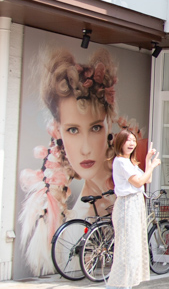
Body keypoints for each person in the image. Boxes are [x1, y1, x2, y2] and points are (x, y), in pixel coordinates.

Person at [18, 48, 121, 276]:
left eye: (95, 128)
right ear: (59, 132)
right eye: (73, 130)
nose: (85, 148)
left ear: (109, 124)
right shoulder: (76, 217)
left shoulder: (118, 175)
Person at [103, 130, 160, 289]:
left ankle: (125, 286)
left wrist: (148, 160)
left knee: (133, 247)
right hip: (127, 205)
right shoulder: (121, 161)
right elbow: (138, 182)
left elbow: (147, 179)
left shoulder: (130, 162)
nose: (131, 143)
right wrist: (152, 166)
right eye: (127, 140)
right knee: (125, 249)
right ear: (120, 143)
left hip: (135, 204)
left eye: (133, 140)